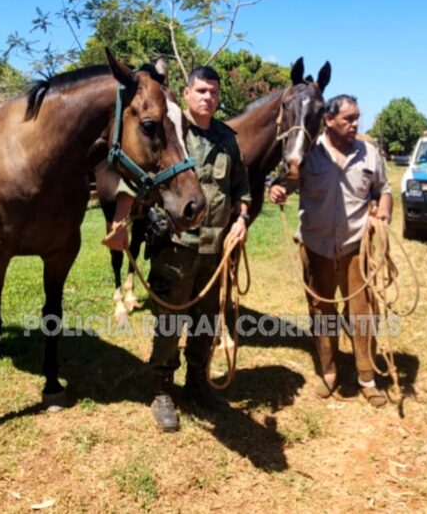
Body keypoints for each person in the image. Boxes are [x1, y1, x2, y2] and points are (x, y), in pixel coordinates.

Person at [106, 66, 251, 431]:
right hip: (175, 245)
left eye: (214, 92)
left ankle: (198, 382)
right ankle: (162, 388)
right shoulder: (168, 127)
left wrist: (242, 220)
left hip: (214, 249)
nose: (208, 98)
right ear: (186, 94)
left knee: (206, 320)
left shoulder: (227, 140)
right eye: (201, 91)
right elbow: (134, 177)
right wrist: (122, 221)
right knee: (170, 321)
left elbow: (241, 191)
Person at [269, 94, 393, 407]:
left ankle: (367, 376)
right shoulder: (309, 153)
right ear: (329, 120)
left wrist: (384, 213)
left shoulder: (369, 153)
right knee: (322, 310)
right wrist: (279, 189)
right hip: (316, 245)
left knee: (361, 312)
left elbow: (383, 189)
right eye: (348, 119)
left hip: (355, 245)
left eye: (356, 118)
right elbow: (288, 182)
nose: (354, 124)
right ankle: (329, 370)